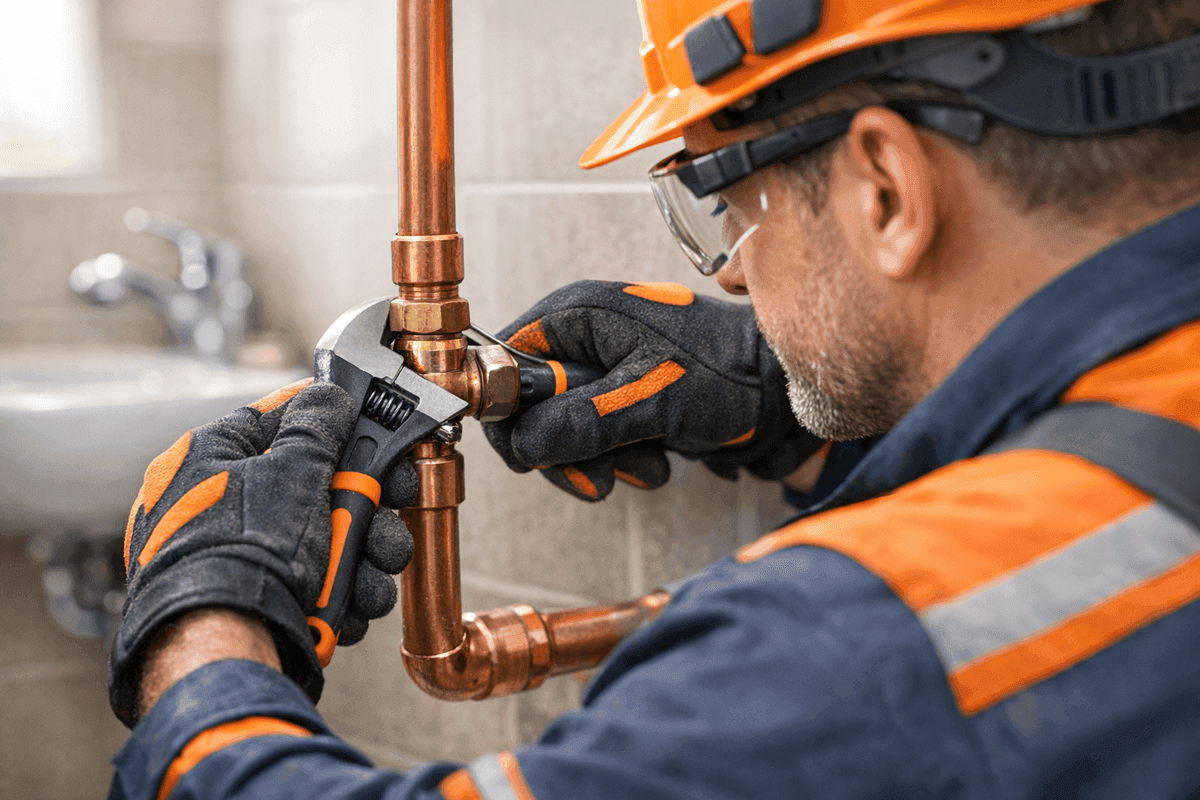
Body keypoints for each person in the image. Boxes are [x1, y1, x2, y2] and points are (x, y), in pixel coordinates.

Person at [108, 0, 1200, 797]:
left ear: (884, 187)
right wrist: (788, 411)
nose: (726, 271)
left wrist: (204, 618)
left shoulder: (847, 642)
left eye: (725, 200)